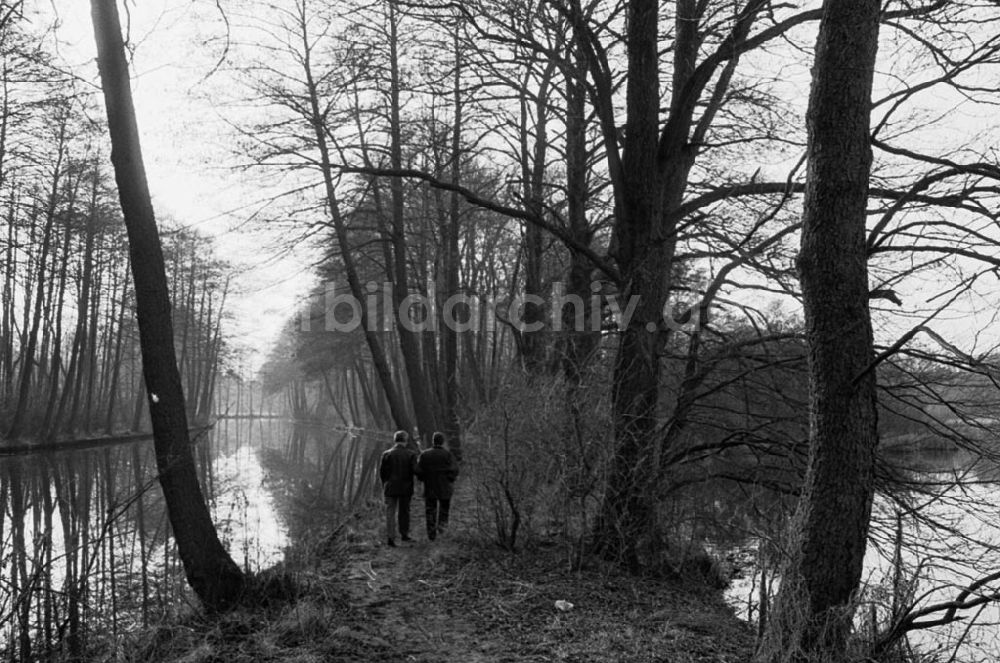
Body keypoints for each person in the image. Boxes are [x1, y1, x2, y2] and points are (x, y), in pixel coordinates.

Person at [417, 432, 459, 541]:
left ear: (433, 441)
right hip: (444, 486)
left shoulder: (425, 455)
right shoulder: (448, 454)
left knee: (430, 510)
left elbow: (419, 470)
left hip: (430, 486)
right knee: (444, 509)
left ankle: (431, 534)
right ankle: (442, 530)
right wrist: (450, 479)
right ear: (443, 442)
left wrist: (423, 479)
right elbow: (455, 470)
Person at [379, 429, 418, 547]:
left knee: (390, 512)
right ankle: (404, 535)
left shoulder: (386, 454)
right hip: (406, 487)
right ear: (405, 441)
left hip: (390, 487)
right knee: (404, 511)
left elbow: (382, 473)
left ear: (395, 440)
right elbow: (416, 470)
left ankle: (391, 538)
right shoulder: (411, 454)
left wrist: (384, 484)